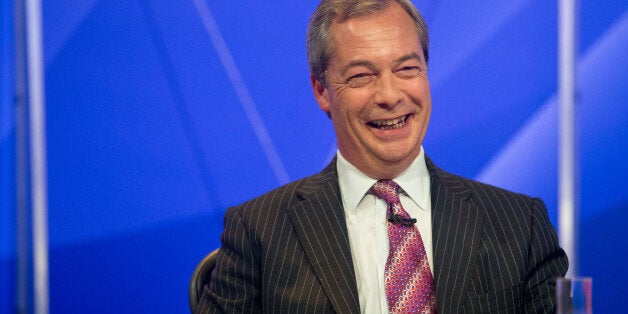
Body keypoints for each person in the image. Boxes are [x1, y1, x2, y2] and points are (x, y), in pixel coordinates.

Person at [196, 0, 568, 313]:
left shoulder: (522, 225)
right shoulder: (257, 231)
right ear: (321, 90)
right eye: (361, 76)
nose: (390, 95)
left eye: (407, 69)